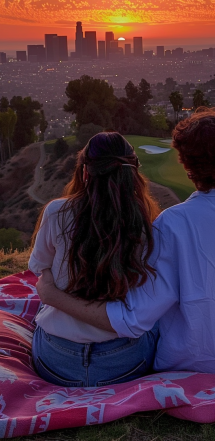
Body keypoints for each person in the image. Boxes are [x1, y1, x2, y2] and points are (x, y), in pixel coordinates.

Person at [36, 109, 215, 376]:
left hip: (186, 364)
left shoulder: (170, 224)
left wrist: (52, 295)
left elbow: (133, 319)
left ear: (185, 163)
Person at [29, 132, 160, 387]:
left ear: (86, 172)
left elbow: (40, 266)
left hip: (56, 362)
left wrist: (51, 292)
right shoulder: (146, 223)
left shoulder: (57, 211)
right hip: (124, 363)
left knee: (44, 310)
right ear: (132, 173)